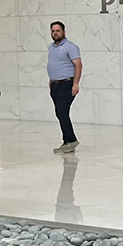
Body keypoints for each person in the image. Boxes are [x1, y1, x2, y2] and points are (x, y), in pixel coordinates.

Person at [47, 21, 82, 154]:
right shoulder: (51, 47)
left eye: (58, 30)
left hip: (66, 84)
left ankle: (71, 140)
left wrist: (76, 84)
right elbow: (54, 64)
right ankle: (67, 141)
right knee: (59, 112)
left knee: (62, 112)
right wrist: (51, 79)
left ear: (64, 32)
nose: (55, 33)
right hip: (55, 85)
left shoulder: (70, 47)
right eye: (53, 31)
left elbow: (78, 65)